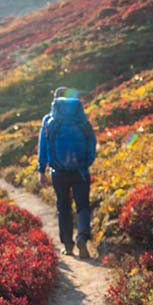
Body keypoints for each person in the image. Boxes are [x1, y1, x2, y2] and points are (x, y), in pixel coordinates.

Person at [37, 86, 96, 257]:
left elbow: (43, 147)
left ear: (55, 102)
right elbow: (92, 145)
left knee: (63, 207)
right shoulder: (82, 121)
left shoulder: (49, 121)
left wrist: (42, 170)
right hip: (81, 172)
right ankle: (83, 238)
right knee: (83, 206)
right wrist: (86, 164)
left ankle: (68, 246)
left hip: (58, 172)